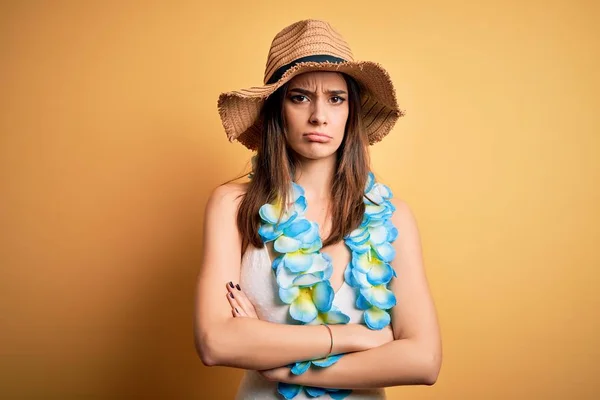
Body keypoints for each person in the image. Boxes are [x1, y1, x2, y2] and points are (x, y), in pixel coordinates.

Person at [194, 19, 442, 400]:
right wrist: (351, 336)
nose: (319, 116)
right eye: (300, 97)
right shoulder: (233, 205)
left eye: (336, 98)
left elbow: (423, 361)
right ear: (277, 109)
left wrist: (286, 369)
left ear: (350, 113)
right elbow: (215, 342)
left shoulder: (392, 216)